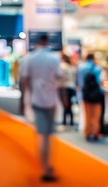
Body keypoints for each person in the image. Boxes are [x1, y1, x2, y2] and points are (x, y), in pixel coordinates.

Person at [24, 34, 64, 182]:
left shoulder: (31, 58)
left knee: (41, 135)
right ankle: (47, 168)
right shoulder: (54, 58)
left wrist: (25, 99)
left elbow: (26, 80)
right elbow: (60, 76)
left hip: (37, 100)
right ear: (47, 42)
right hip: (51, 100)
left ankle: (45, 166)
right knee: (47, 136)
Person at [76, 53, 103, 142]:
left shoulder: (81, 67)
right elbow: (100, 82)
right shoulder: (97, 68)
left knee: (87, 115)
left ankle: (87, 132)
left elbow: (79, 83)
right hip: (96, 95)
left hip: (85, 94)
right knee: (96, 115)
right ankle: (95, 132)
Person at [60, 54, 77, 127]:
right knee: (69, 104)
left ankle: (65, 121)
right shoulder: (71, 67)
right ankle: (71, 121)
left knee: (66, 104)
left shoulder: (63, 66)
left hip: (65, 87)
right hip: (71, 87)